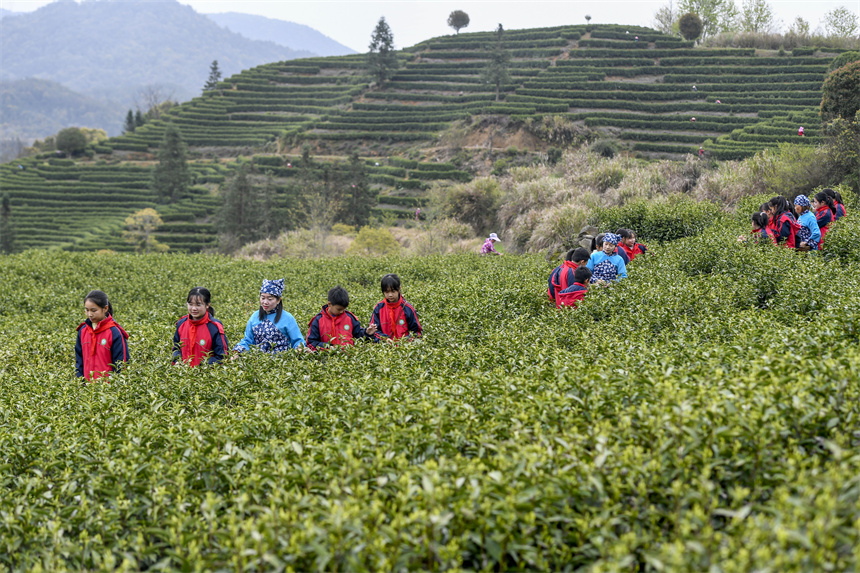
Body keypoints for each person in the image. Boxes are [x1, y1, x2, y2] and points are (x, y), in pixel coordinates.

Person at [234, 279, 304, 354]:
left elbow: (297, 341)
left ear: (278, 300)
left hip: (281, 361)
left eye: (270, 299)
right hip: (257, 361)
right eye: (263, 298)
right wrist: (237, 352)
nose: (265, 302)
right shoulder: (254, 317)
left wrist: (300, 349)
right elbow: (247, 340)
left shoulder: (287, 318)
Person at [75, 289, 129, 381]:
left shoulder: (114, 332)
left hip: (107, 390)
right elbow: (79, 361)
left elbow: (121, 364)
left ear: (105, 309)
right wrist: (80, 383)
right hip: (87, 389)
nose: (89, 314)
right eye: (87, 310)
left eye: (94, 310)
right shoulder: (83, 331)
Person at [307, 286, 378, 350]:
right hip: (325, 360)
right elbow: (311, 343)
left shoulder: (350, 318)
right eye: (339, 309)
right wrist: (327, 346)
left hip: (349, 359)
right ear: (329, 304)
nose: (342, 311)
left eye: (344, 309)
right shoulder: (318, 320)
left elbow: (358, 336)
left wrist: (367, 333)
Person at [173, 287, 228, 366]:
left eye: (198, 305)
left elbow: (222, 356)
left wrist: (201, 366)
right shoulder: (181, 324)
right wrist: (177, 361)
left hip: (206, 376)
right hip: (183, 375)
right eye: (190, 304)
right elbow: (176, 348)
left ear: (207, 305)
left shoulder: (214, 327)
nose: (194, 308)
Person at [369, 274, 422, 341]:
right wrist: (385, 339)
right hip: (384, 348)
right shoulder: (379, 308)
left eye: (393, 291)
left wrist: (408, 341)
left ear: (399, 288)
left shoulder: (407, 308)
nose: (390, 295)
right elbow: (374, 331)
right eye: (387, 292)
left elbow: (417, 332)